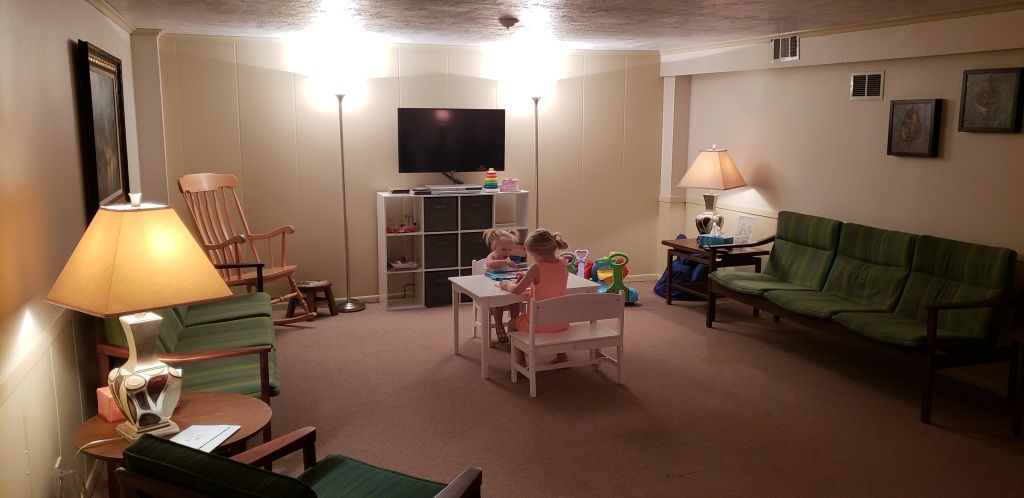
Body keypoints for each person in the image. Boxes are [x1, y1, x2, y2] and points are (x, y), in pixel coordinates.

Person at [499, 228, 570, 363]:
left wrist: (506, 284)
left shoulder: (536, 267)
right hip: (560, 322)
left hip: (537, 324)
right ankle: (562, 356)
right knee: (551, 314)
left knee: (512, 323)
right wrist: (526, 278)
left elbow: (517, 290)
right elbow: (548, 283)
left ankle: (520, 363)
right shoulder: (563, 263)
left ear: (538, 254)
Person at [482, 228, 521, 343]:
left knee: (515, 300)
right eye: (503, 249)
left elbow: (508, 273)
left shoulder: (506, 257)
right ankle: (499, 327)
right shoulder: (492, 256)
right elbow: (489, 263)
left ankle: (515, 324)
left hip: (505, 285)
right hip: (492, 288)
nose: (507, 253)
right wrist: (505, 262)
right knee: (498, 304)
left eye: (509, 250)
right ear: (494, 248)